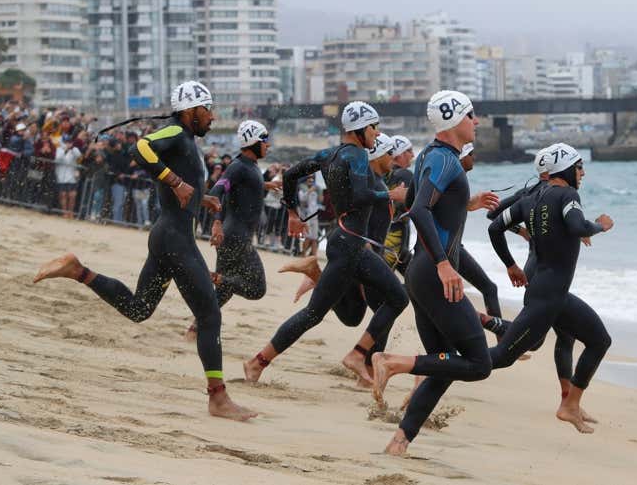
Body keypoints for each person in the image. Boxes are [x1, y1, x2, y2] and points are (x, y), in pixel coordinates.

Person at [33, 81, 256, 421]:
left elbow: (180, 188)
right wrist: (175, 181)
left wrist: (201, 198)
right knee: (210, 315)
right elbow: (141, 147)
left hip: (167, 236)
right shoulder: (175, 133)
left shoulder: (186, 140)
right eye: (207, 108)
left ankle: (78, 270)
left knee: (139, 309)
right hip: (175, 239)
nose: (212, 116)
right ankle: (218, 398)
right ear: (189, 110)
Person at [370, 90, 500, 456]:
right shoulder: (446, 162)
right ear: (454, 119)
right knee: (478, 363)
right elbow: (421, 212)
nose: (476, 122)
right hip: (432, 271)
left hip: (421, 271)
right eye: (471, 115)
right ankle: (392, 361)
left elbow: (418, 203)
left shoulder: (433, 156)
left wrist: (467, 203)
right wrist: (444, 264)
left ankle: (398, 444)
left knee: (444, 364)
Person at [242, 102, 409, 386]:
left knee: (328, 312)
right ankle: (358, 355)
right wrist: (390, 196)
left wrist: (293, 212)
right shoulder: (356, 154)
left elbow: (292, 173)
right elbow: (359, 195)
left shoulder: (328, 154)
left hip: (345, 242)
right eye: (375, 127)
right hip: (351, 245)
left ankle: (259, 362)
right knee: (391, 300)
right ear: (362, 128)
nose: (376, 133)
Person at [485, 143, 613, 434]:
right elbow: (578, 225)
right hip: (545, 287)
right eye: (579, 166)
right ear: (561, 168)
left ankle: (569, 404)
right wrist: (600, 225)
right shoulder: (566, 194)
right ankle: (421, 366)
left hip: (545, 285)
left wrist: (512, 262)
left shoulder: (532, 196)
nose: (583, 172)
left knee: (593, 339)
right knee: (501, 357)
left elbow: (495, 225)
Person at [183, 120, 278, 340]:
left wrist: (264, 186)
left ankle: (195, 330)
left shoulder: (250, 167)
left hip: (234, 236)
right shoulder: (238, 166)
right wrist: (216, 221)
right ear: (253, 141)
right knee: (257, 288)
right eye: (265, 140)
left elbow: (243, 187)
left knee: (223, 293)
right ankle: (216, 277)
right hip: (235, 237)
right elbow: (217, 191)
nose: (268, 145)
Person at [455, 143, 503, 322]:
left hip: (450, 247)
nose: (474, 157)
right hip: (450, 248)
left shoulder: (457, 179)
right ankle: (503, 347)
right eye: (471, 154)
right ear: (461, 157)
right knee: (489, 289)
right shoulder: (456, 178)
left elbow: (445, 206)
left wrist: (468, 204)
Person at [383, 135, 414, 273]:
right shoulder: (405, 175)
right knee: (382, 284)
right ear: (400, 154)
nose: (413, 155)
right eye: (409, 150)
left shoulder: (383, 175)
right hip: (395, 240)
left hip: (383, 235)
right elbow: (409, 206)